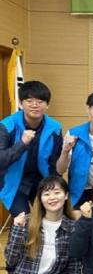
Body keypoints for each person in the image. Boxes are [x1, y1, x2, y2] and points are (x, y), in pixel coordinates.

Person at [0, 81, 62, 216]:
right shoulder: (7, 126)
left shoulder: (55, 128)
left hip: (43, 181)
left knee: (49, 218)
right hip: (14, 182)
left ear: (47, 105)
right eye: (29, 101)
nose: (35, 105)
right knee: (22, 219)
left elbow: (55, 162)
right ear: (21, 104)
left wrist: (57, 187)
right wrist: (22, 143)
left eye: (40, 101)